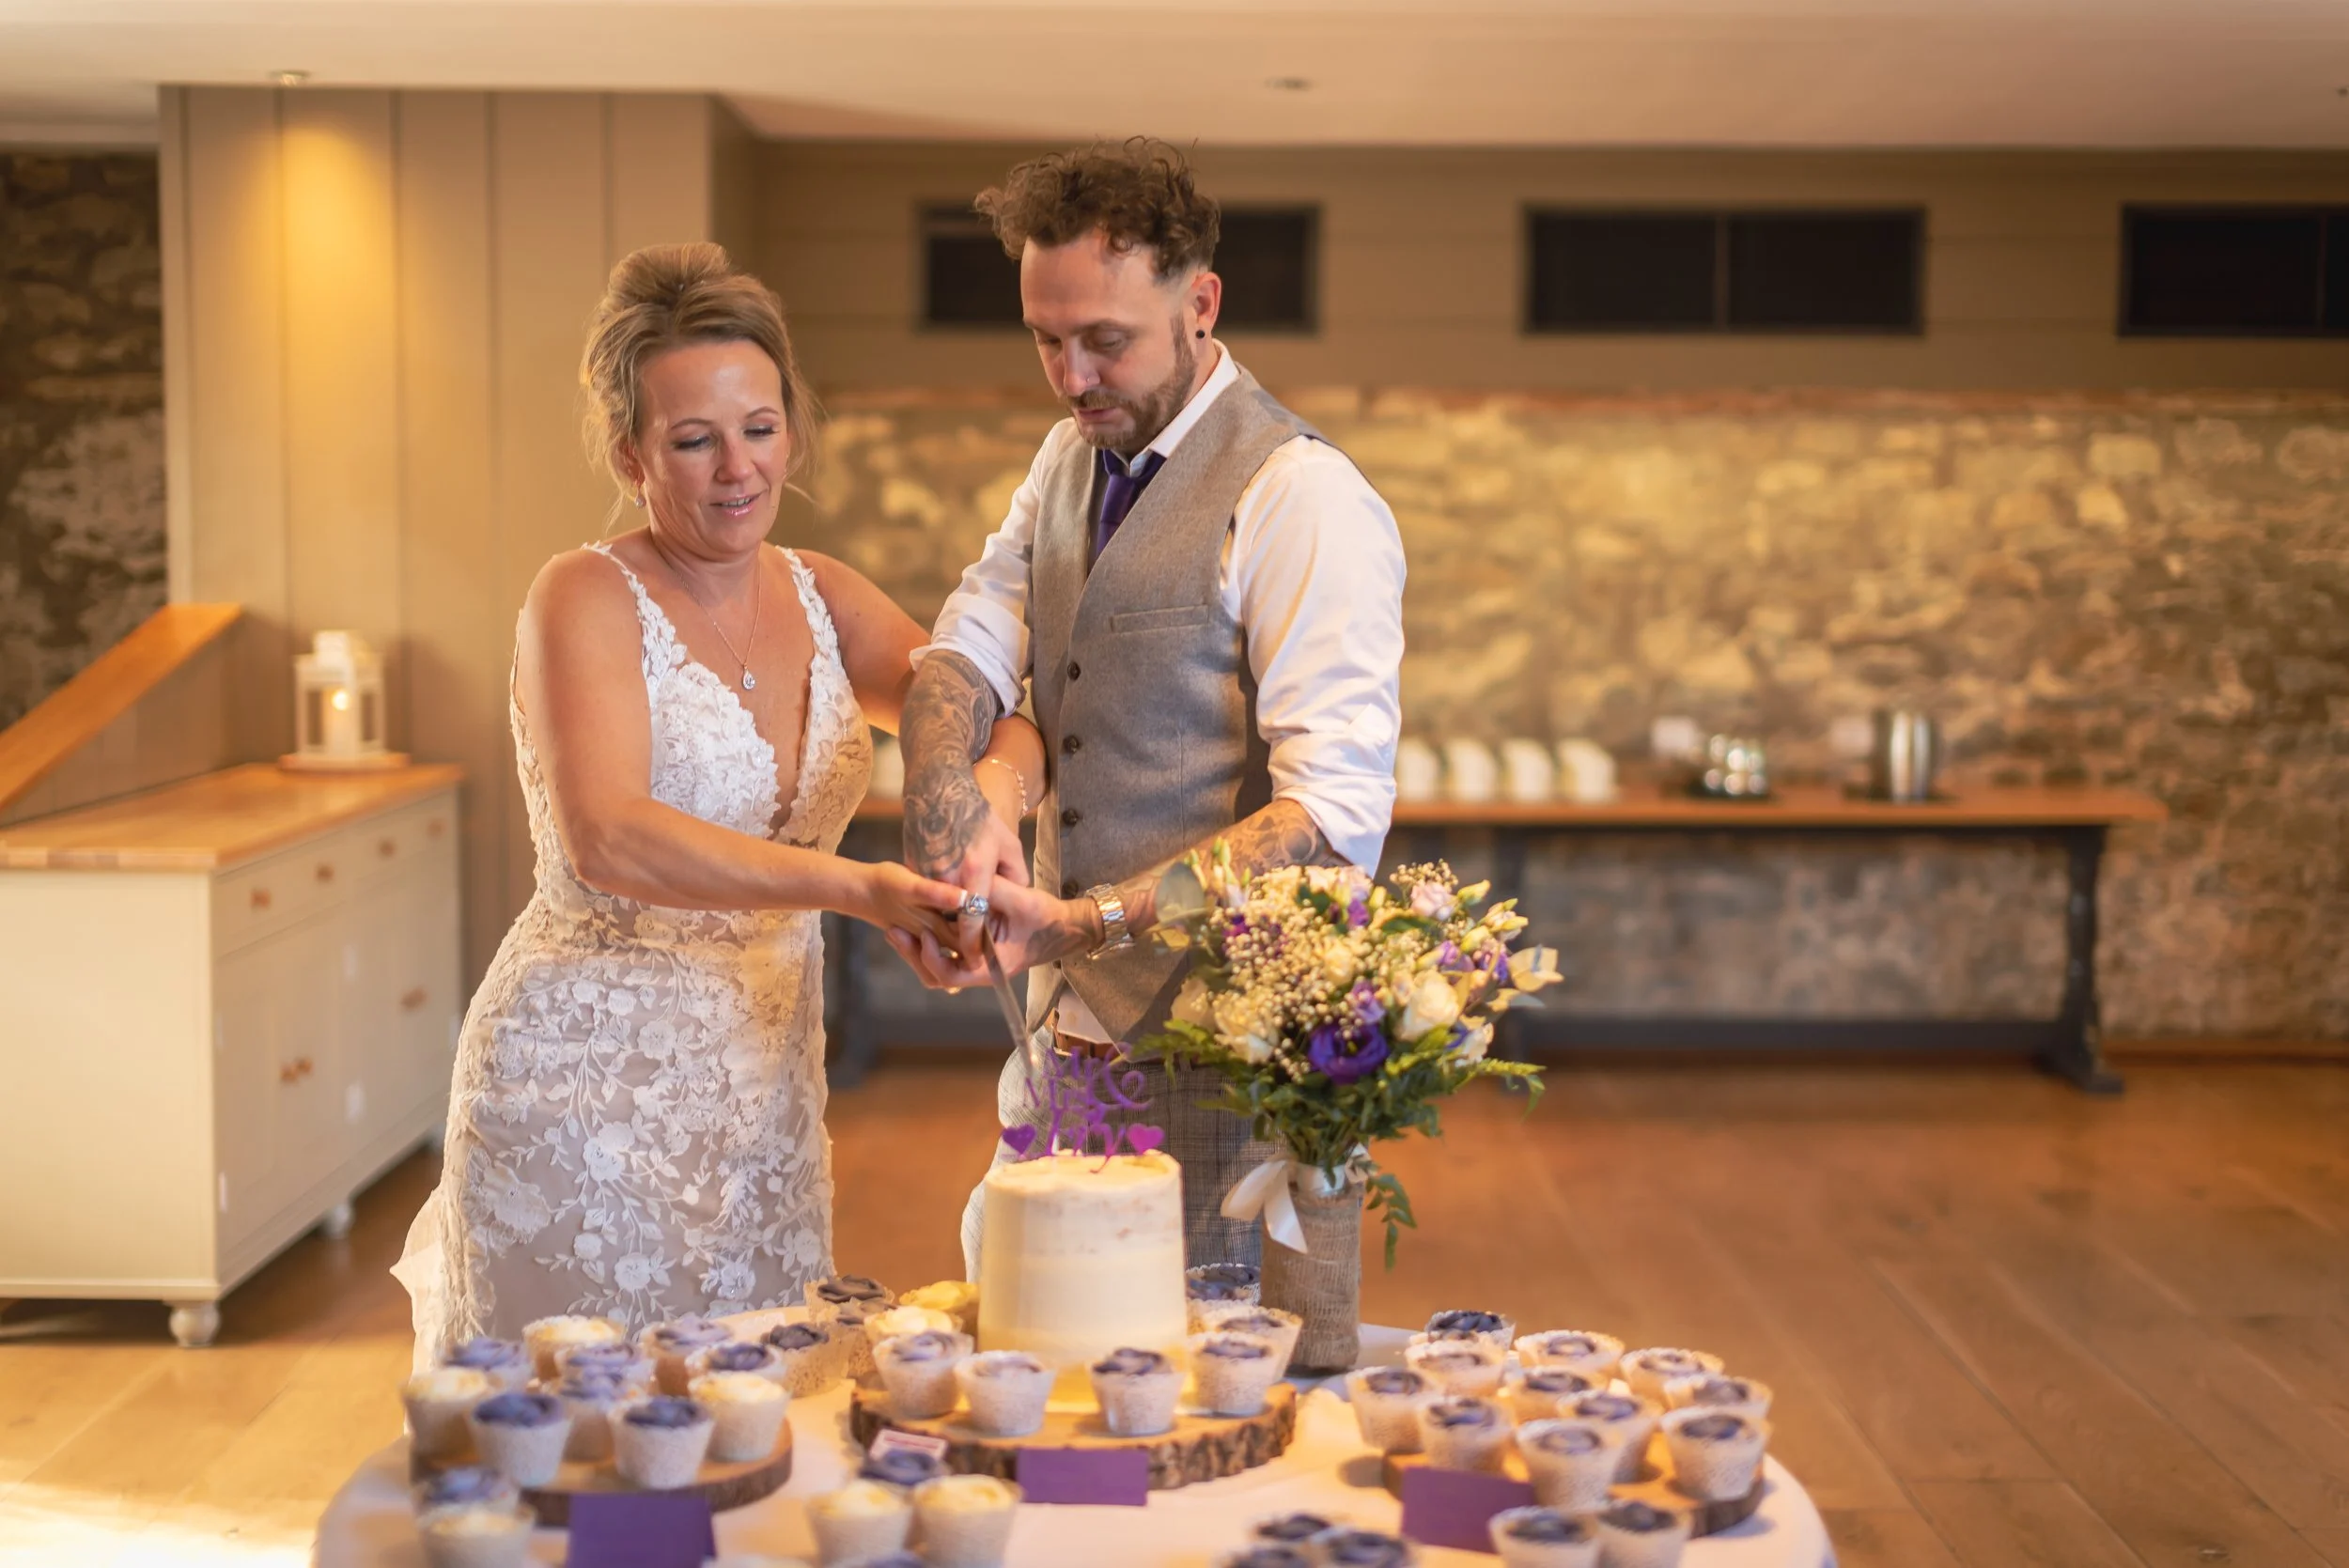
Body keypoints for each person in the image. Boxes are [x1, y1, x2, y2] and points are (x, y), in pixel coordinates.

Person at [396, 243, 1045, 1356]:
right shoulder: (583, 596)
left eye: (758, 427)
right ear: (630, 453)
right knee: (584, 1443)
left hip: (765, 1090)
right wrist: (864, 890)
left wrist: (988, 804)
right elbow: (611, 834)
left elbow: (993, 702)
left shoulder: (821, 591)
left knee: (756, 1423)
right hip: (580, 1084)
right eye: (693, 440)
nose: (736, 467)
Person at [893, 142, 1408, 1278]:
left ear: (1201, 304)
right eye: (1045, 339)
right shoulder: (1062, 461)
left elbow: (1328, 822)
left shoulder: (1302, 495)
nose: (1073, 377)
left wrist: (1088, 925)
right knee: (1038, 1329)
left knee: (1186, 1379)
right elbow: (964, 651)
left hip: (1219, 1043)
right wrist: (947, 814)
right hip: (1058, 1031)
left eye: (1106, 342)